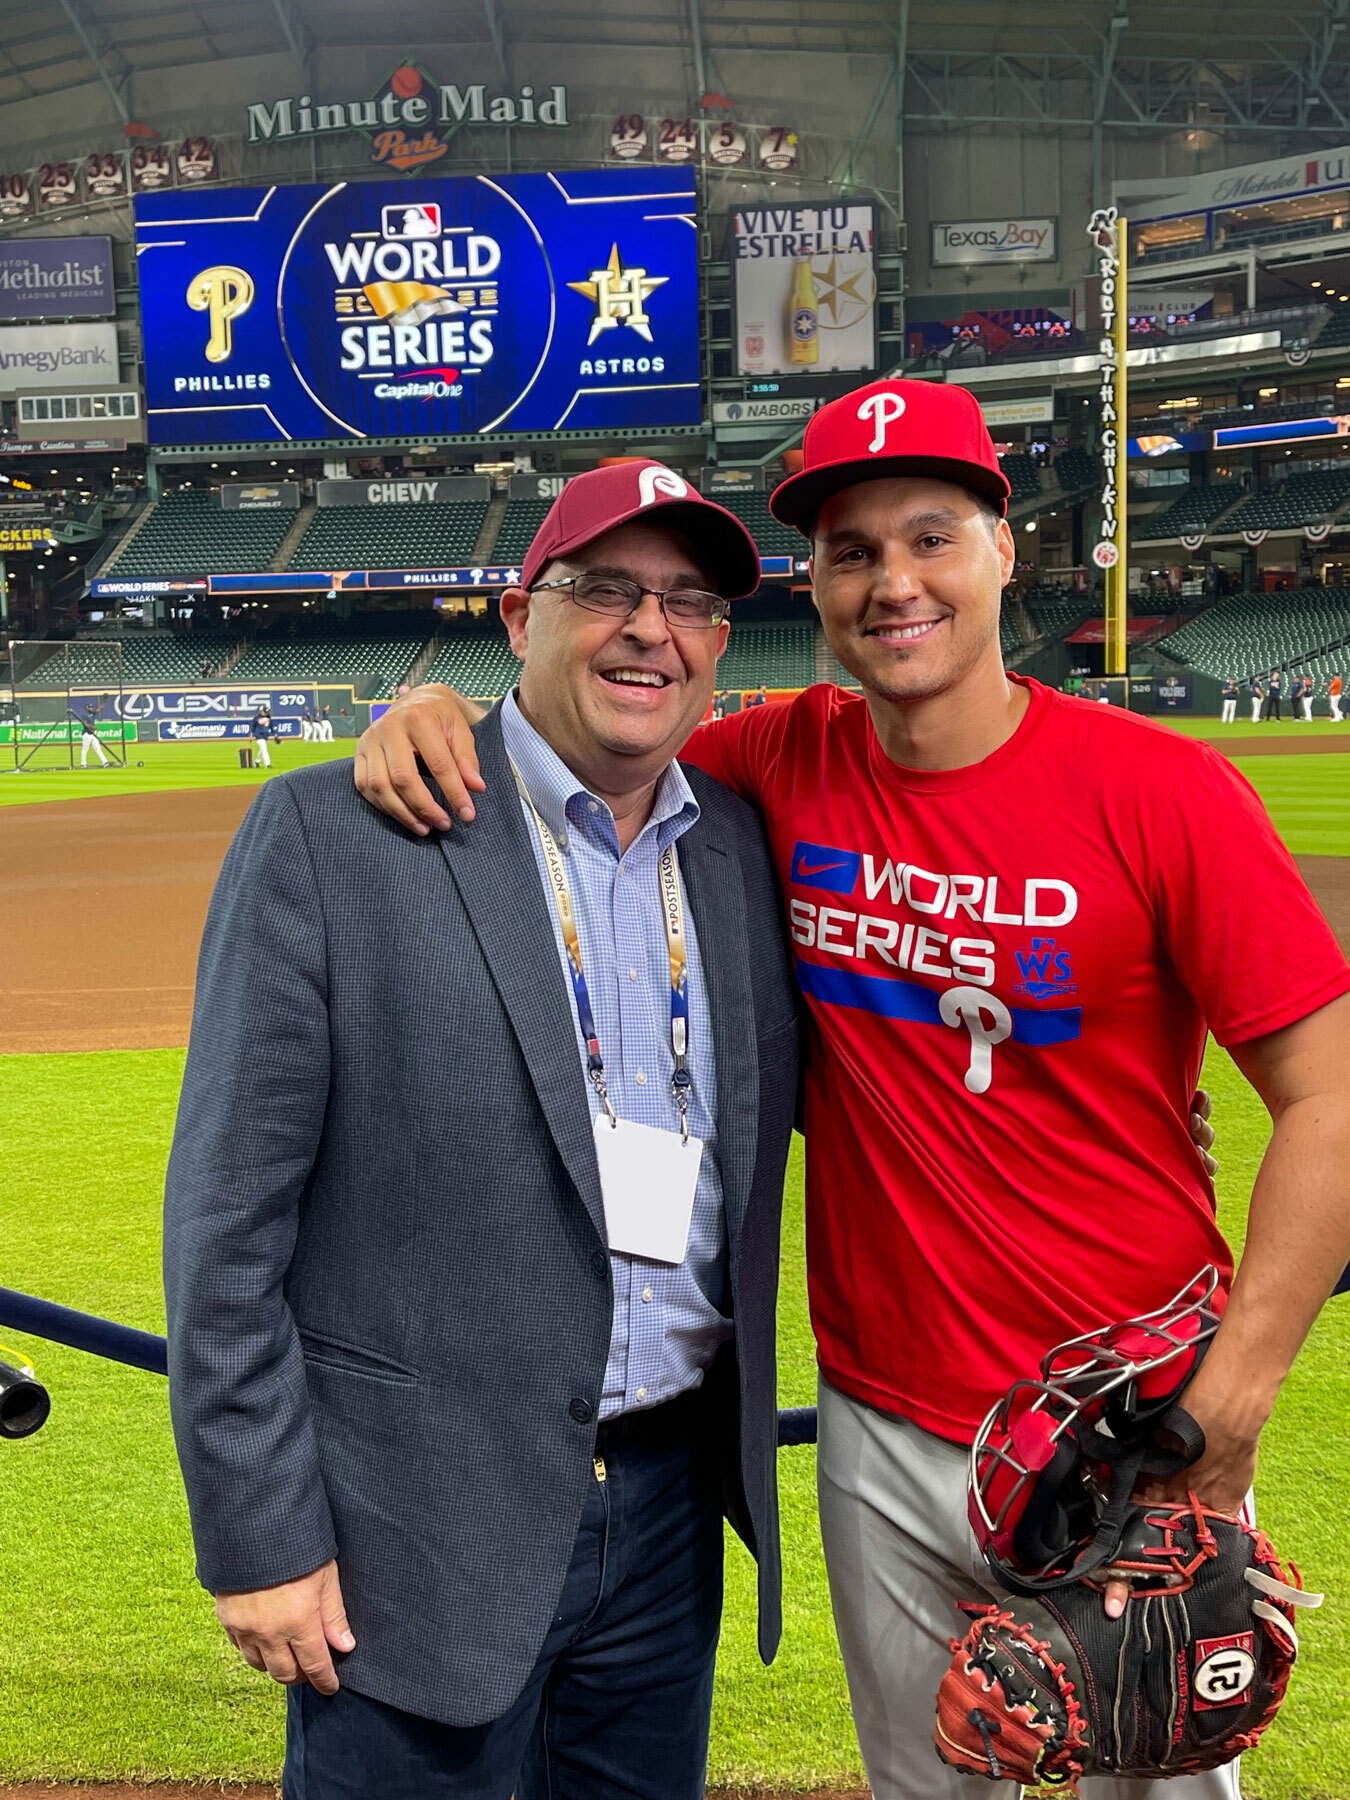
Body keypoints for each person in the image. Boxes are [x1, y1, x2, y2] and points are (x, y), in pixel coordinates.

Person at [357, 380, 1350, 1800]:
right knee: (923, 1786)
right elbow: (583, 730)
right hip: (879, 1425)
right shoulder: (773, 763)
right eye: (850, 552)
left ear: (1005, 548)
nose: (894, 583)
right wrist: (432, 706)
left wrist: (1234, 1398)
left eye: (930, 537)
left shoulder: (1161, 792)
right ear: (814, 584)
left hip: (1125, 1426)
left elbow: (1328, 1094)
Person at [163, 462, 799, 1800]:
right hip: (415, 1533)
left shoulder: (740, 848)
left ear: (720, 644)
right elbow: (225, 1222)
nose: (649, 629)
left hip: (672, 1512)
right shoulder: (329, 836)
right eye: (606, 590)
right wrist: (258, 1536)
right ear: (520, 616)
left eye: (686, 601)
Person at [77, 701, 109, 767]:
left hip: (92, 734)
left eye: (92, 707)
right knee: (85, 749)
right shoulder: (84, 715)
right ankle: (83, 764)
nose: (91, 708)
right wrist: (92, 727)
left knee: (98, 748)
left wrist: (104, 700)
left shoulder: (93, 714)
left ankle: (105, 762)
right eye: (90, 707)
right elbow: (85, 724)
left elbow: (100, 709)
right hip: (86, 734)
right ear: (86, 708)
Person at [250, 704, 274, 769]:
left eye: (267, 712)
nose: (266, 713)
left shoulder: (268, 717)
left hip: (265, 735)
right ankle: (267, 764)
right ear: (262, 711)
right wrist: (251, 734)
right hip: (258, 735)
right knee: (264, 749)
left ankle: (257, 761)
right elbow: (253, 726)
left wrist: (275, 734)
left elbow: (271, 726)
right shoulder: (257, 717)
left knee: (262, 750)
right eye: (265, 712)